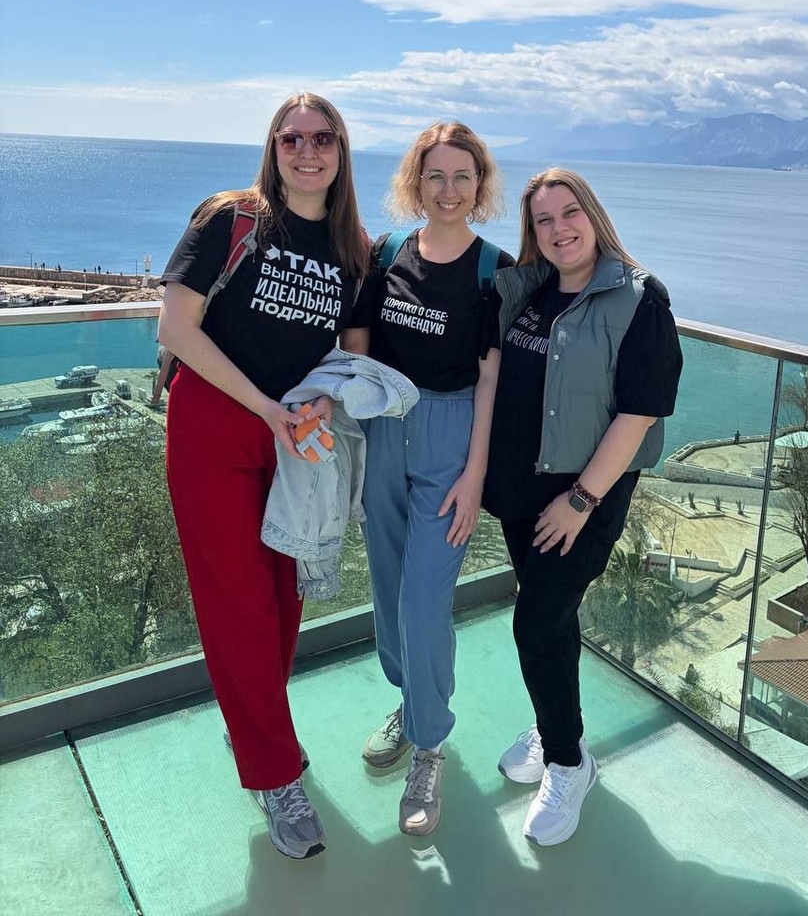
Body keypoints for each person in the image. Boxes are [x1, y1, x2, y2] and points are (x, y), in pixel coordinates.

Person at [159, 93, 370, 860]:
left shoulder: (353, 249)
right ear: (273, 147)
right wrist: (266, 408)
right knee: (238, 604)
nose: (307, 151)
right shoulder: (232, 219)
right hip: (214, 427)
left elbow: (352, 350)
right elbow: (175, 327)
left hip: (296, 434)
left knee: (285, 599)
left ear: (341, 151)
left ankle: (255, 727)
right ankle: (275, 774)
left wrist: (316, 405)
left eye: (323, 138)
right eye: (292, 138)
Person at [482, 168, 682, 847]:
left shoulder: (638, 298)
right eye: (543, 219)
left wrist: (581, 499)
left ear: (592, 216)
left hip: (581, 497)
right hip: (522, 489)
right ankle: (554, 725)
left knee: (535, 623)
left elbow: (639, 411)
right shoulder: (528, 290)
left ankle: (569, 763)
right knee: (554, 617)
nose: (559, 228)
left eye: (570, 213)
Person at [352, 122, 513, 836]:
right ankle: (408, 700)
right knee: (387, 590)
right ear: (415, 182)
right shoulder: (386, 254)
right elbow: (359, 347)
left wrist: (475, 474)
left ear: (480, 186)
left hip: (452, 437)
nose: (449, 190)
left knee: (424, 600)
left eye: (462, 177)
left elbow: (491, 380)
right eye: (435, 175)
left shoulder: (494, 272)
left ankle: (429, 744)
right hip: (384, 430)